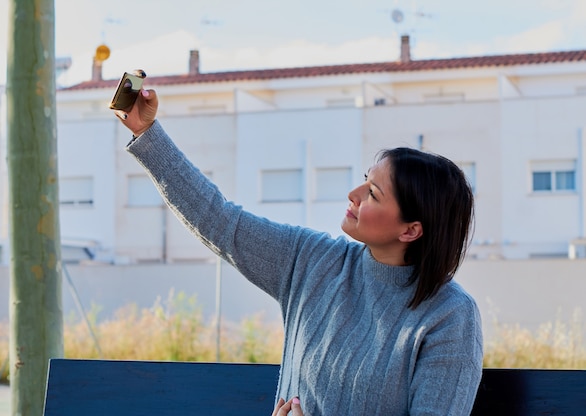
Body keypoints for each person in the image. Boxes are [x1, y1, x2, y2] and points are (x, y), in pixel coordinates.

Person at [114, 87, 483, 415]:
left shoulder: (450, 317)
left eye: (372, 193)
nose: (353, 194)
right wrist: (147, 133)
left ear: (411, 230)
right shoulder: (312, 260)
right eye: (365, 180)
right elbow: (219, 220)